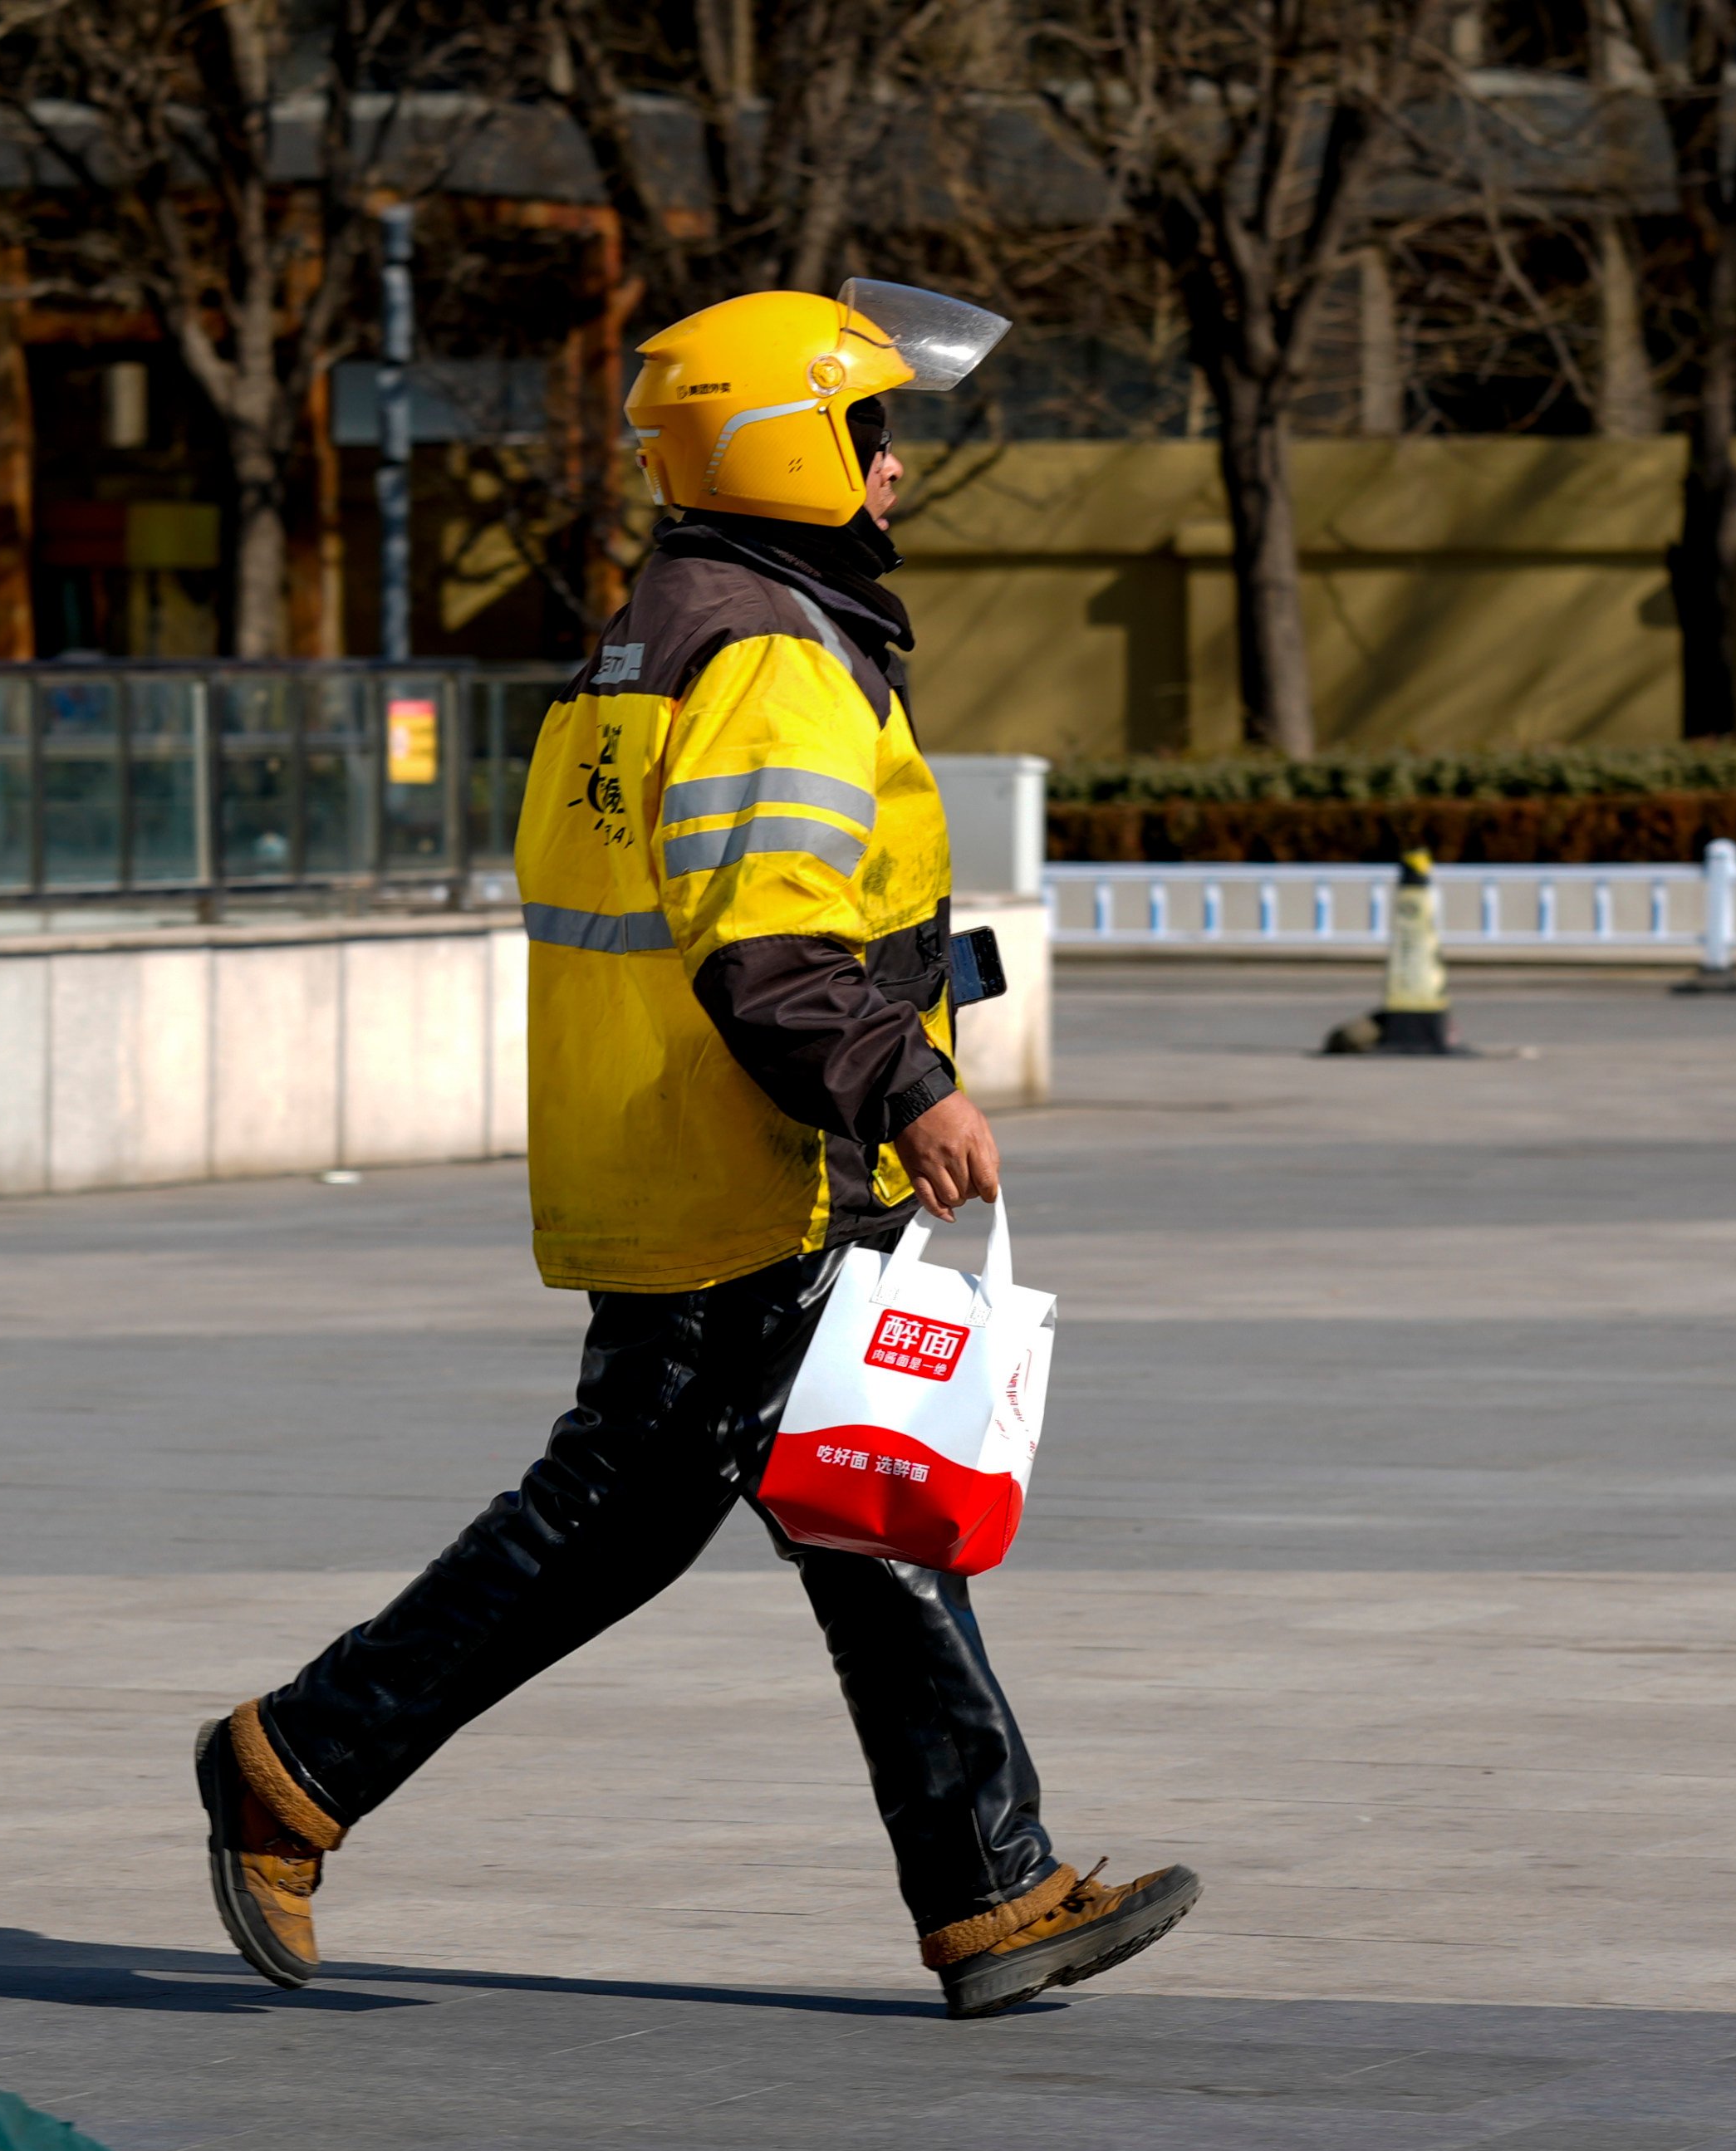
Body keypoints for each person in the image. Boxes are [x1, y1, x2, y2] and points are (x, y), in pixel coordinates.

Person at [195, 280, 1199, 2021]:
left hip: (680, 1153)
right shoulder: (765, 658)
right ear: (786, 447)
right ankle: (292, 1765)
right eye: (869, 434)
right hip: (753, 1168)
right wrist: (906, 1082)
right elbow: (768, 940)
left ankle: (988, 1890)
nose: (895, 472)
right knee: (669, 1514)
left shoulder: (657, 630)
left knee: (829, 1510)